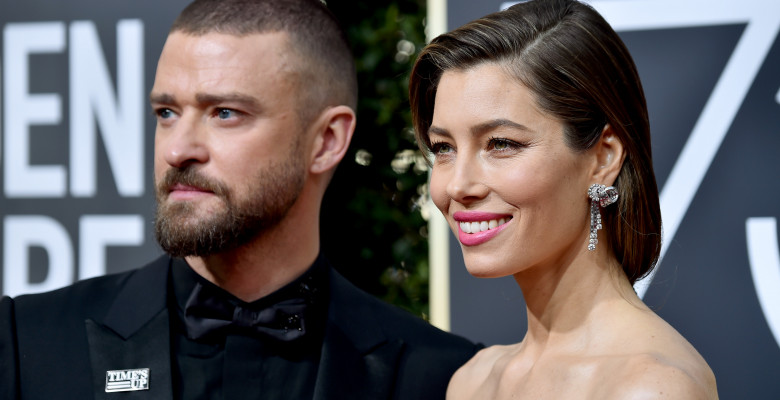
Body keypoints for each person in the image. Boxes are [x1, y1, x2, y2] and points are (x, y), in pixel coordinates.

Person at [0, 0, 478, 398]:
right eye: (166, 112)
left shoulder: (441, 377)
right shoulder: (27, 344)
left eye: (224, 113)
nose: (177, 149)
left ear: (327, 140)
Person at [409, 0, 718, 398]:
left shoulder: (651, 386)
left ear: (603, 157)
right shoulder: (472, 381)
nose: (457, 185)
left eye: (500, 143)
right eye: (444, 148)